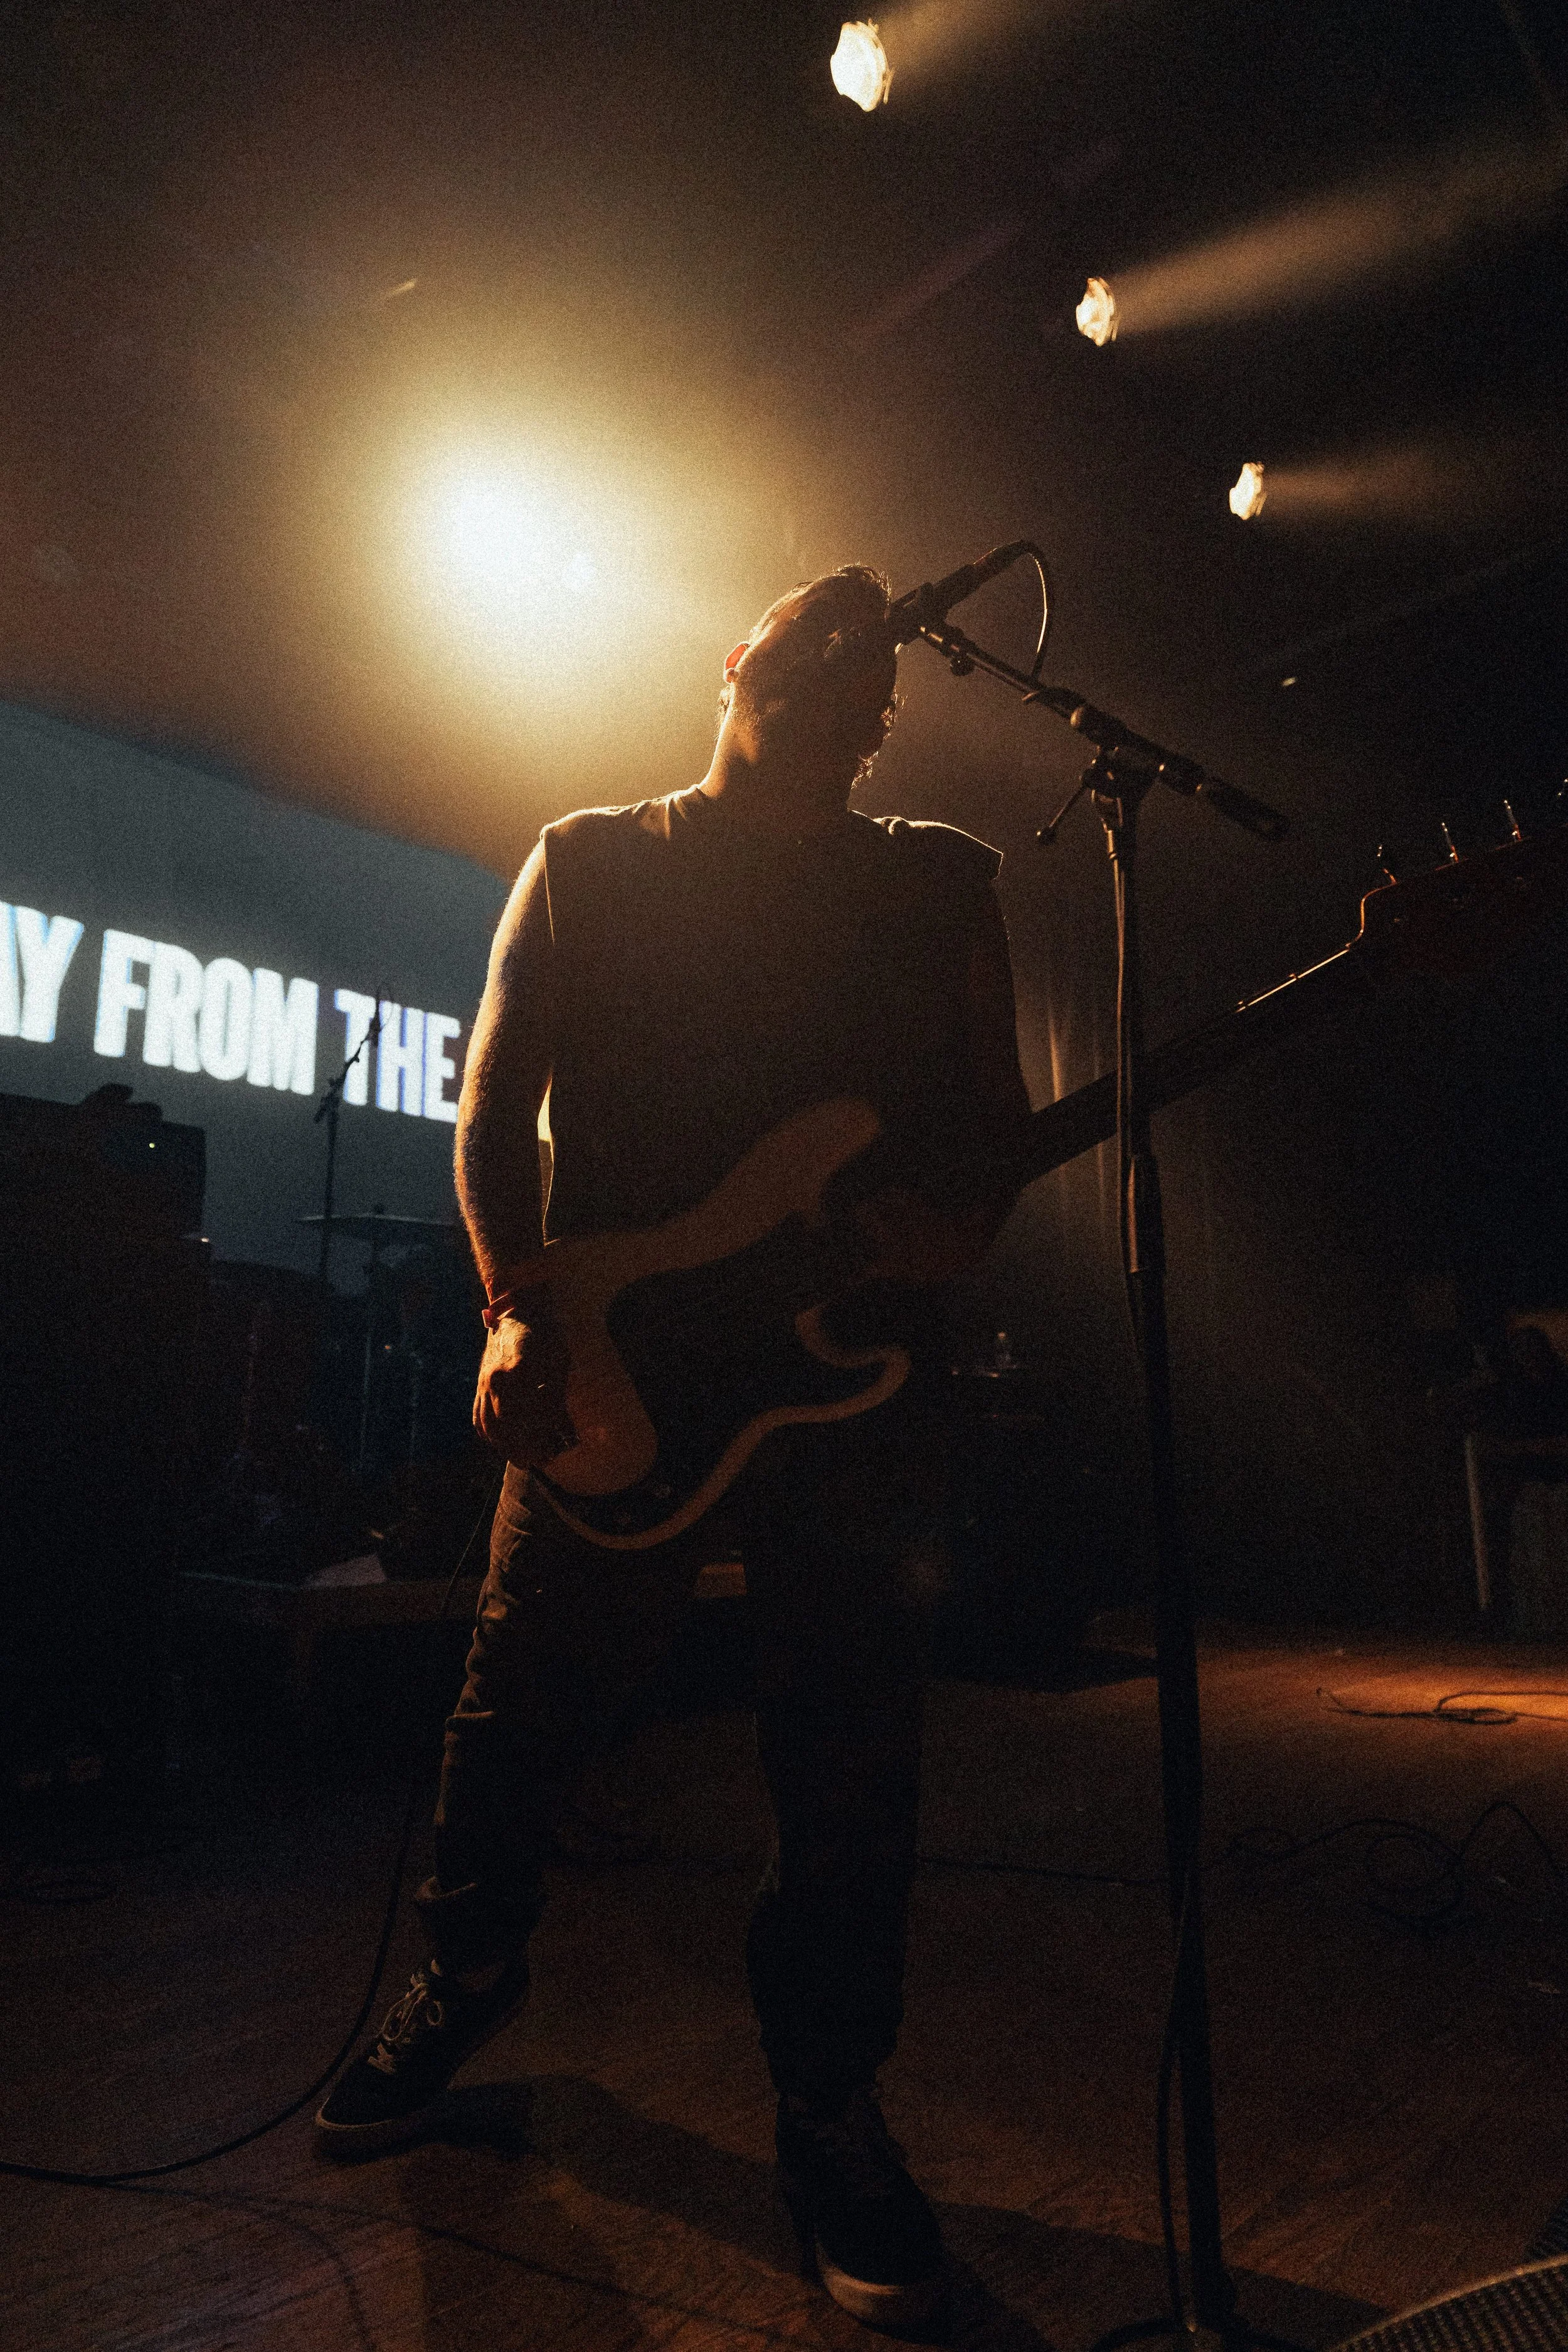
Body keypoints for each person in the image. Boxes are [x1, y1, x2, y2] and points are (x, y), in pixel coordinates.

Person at [315, 563, 1030, 2333]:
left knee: (849, 1741)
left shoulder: (940, 883)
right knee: (517, 1700)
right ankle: (460, 1977)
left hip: (838, 1376)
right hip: (614, 1345)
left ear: (887, 707)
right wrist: (512, 1306)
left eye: (869, 671)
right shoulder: (590, 857)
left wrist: (934, 1237)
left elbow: (989, 1141)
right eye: (809, 648)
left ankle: (826, 2109)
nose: (841, 681)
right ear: (737, 660)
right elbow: (491, 1107)